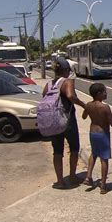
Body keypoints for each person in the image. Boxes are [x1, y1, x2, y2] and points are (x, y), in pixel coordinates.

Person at [43, 56, 86, 189]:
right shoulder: (67, 81)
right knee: (74, 149)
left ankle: (60, 181)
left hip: (53, 122)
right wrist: (83, 105)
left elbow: (44, 99)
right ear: (66, 70)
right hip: (68, 121)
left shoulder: (48, 85)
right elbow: (70, 96)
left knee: (57, 151)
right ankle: (72, 176)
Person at [82, 83, 112, 194]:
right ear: (99, 94)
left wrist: (88, 109)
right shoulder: (105, 107)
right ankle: (103, 185)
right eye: (104, 92)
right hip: (103, 134)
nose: (106, 93)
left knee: (94, 153)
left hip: (93, 133)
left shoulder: (89, 105)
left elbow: (83, 116)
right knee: (104, 159)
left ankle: (88, 176)